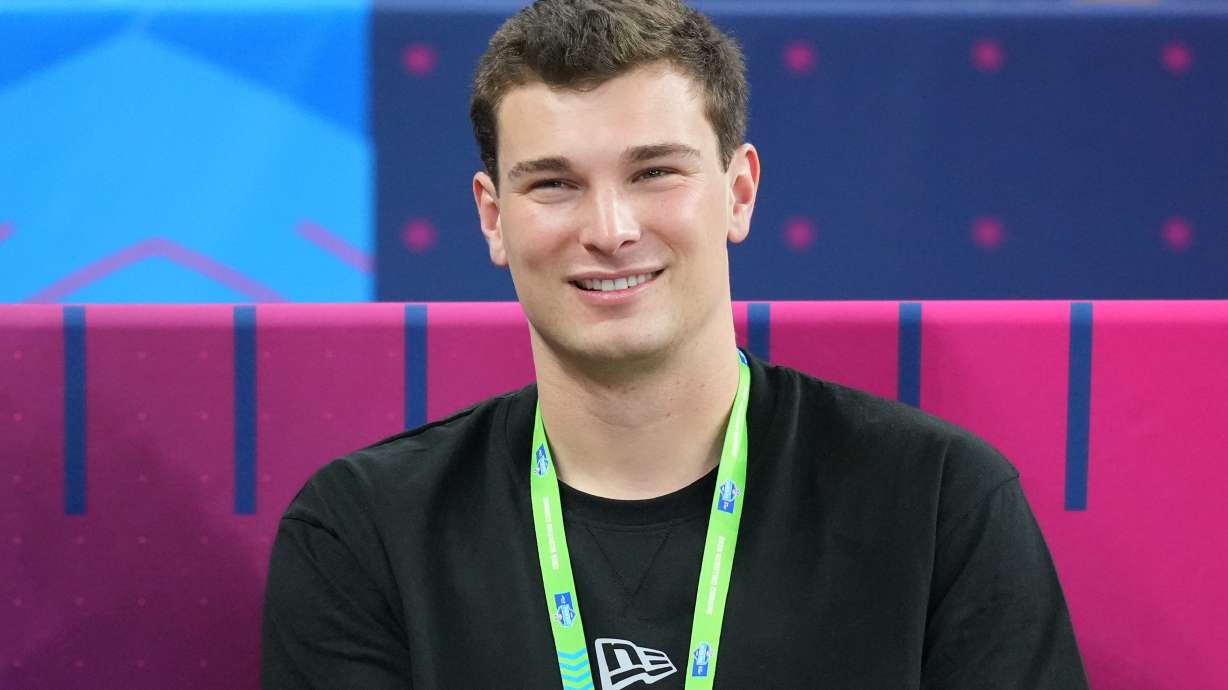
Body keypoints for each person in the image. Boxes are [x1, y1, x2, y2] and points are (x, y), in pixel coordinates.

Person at [261, 1, 1090, 688]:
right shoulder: (364, 531)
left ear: (738, 193)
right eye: (554, 184)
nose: (610, 230)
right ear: (492, 218)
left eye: (655, 172)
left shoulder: (940, 502)